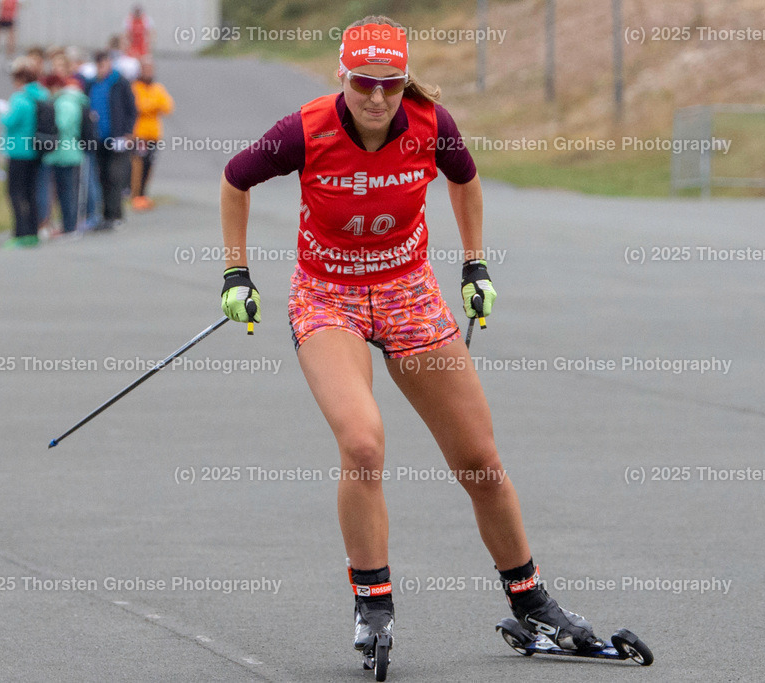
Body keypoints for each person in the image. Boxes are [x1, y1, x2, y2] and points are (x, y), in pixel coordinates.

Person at [220, 15, 603, 669]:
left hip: (407, 292)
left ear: (405, 83)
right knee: (363, 442)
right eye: (364, 83)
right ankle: (373, 602)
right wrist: (236, 272)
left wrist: (474, 266)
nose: (376, 98)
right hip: (328, 294)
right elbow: (235, 178)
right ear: (342, 76)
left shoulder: (430, 123)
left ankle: (533, 602)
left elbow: (466, 180)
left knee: (480, 460)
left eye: (390, 85)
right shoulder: (305, 129)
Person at [0, 56, 49, 248]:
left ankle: (20, 233)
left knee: (16, 193)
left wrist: (3, 111)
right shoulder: (42, 95)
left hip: (19, 151)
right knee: (32, 192)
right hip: (36, 151)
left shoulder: (19, 99)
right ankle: (33, 232)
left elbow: (9, 121)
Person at [86, 50, 136, 230]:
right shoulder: (91, 84)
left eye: (104, 63)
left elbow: (131, 109)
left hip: (117, 137)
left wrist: (128, 133)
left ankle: (115, 214)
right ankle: (105, 214)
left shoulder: (120, 82)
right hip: (99, 138)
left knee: (115, 176)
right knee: (102, 176)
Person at [42, 74, 87, 234]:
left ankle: (70, 225)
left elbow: (61, 125)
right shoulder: (71, 102)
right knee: (66, 192)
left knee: (67, 192)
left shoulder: (65, 104)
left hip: (65, 153)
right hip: (67, 152)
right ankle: (68, 224)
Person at [130, 56, 173, 211]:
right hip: (139, 134)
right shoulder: (135, 87)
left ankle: (143, 194)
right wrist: (152, 106)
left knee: (149, 165)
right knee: (138, 165)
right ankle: (136, 195)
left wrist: (151, 106)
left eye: (150, 69)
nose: (148, 72)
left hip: (153, 134)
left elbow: (167, 107)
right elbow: (138, 106)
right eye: (145, 69)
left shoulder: (158, 88)